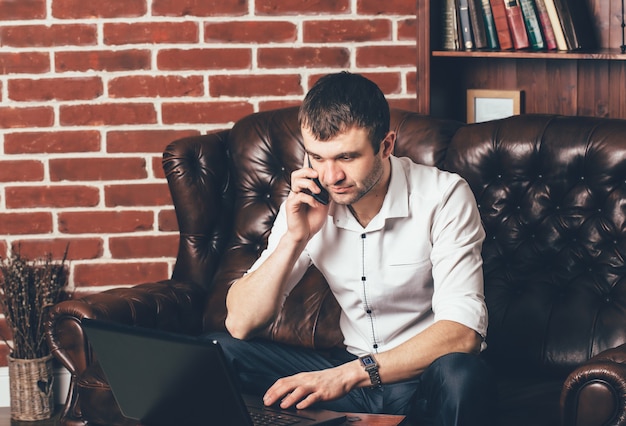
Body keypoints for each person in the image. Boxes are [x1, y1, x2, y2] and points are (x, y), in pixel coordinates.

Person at [213, 71, 496, 425]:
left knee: (462, 375)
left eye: (347, 157)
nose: (331, 177)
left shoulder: (444, 196)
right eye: (317, 157)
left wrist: (347, 375)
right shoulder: (309, 200)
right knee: (216, 353)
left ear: (386, 146)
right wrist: (294, 238)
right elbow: (240, 324)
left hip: (420, 377)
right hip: (351, 373)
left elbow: (463, 333)